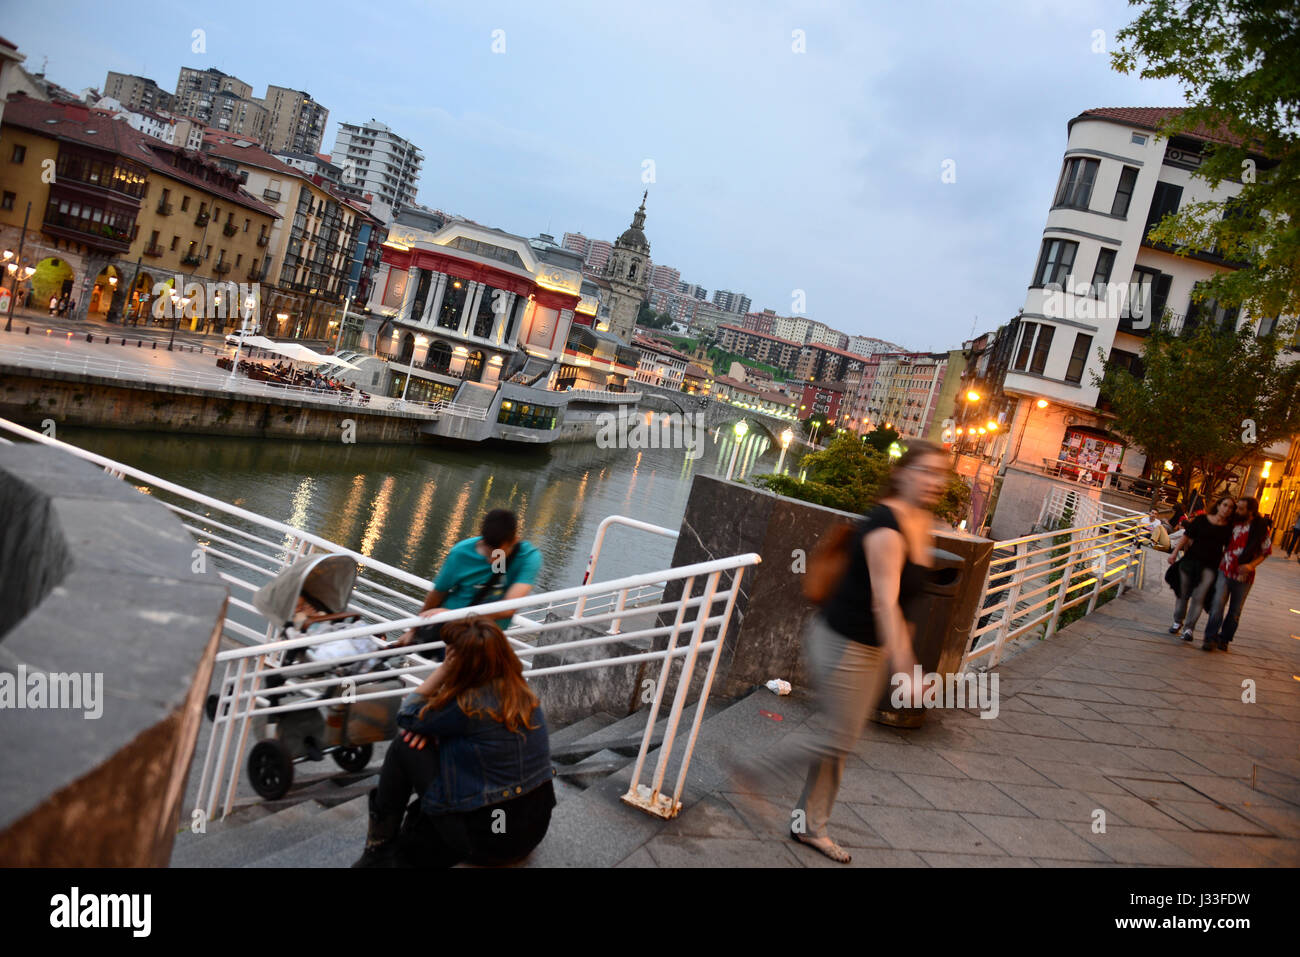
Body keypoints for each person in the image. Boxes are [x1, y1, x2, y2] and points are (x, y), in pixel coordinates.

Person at [731, 440, 946, 864]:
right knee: (838, 740)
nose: (934, 482)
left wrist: (897, 655)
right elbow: (885, 602)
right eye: (925, 472)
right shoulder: (886, 527)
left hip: (871, 647)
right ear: (903, 473)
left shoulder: (920, 522)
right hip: (843, 642)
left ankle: (810, 825)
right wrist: (908, 671)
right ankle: (756, 771)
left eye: (941, 474)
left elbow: (908, 600)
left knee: (841, 742)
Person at [352, 616, 556, 868]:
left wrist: (442, 672)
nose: (445, 658)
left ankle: (378, 848)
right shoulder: (522, 695)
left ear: (461, 664)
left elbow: (406, 715)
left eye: (450, 656)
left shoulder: (469, 705)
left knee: (405, 744)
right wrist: (431, 728)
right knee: (423, 737)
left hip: (488, 843)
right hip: (529, 829)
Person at [395, 508, 543, 651]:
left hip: (484, 639)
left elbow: (507, 608)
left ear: (515, 541)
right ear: (483, 539)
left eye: (499, 554)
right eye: (488, 552)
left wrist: (453, 614)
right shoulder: (461, 553)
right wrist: (414, 630)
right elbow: (438, 593)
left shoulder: (527, 557)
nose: (493, 560)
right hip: (452, 635)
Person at [1203, 497, 1271, 651]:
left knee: (1235, 611)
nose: (1236, 511)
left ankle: (1224, 638)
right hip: (1225, 569)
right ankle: (1210, 637)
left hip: (1244, 576)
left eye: (1241, 509)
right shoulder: (1232, 522)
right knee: (1217, 605)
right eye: (1237, 508)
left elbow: (1265, 552)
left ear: (1251, 512)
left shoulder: (1260, 528)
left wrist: (1250, 565)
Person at [1167, 495, 1234, 643]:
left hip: (1210, 567)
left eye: (1230, 507)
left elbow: (1229, 548)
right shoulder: (1201, 520)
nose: (1227, 509)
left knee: (1199, 597)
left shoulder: (1229, 528)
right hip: (1190, 562)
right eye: (1225, 505)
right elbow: (1186, 536)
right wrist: (1174, 552)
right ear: (1218, 505)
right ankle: (1177, 621)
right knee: (1183, 594)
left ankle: (1189, 629)